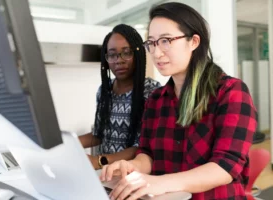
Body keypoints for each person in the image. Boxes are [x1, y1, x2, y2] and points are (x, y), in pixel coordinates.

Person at [100, 3, 257, 200]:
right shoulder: (156, 99)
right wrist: (132, 166)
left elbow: (226, 166)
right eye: (152, 43)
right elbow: (148, 154)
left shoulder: (231, 92)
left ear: (194, 42)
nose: (156, 53)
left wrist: (160, 182)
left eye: (166, 40)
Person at [79, 24, 161, 170]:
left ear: (138, 54)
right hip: (106, 174)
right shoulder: (104, 91)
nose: (119, 60)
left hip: (133, 175)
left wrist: (99, 161)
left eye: (127, 53)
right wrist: (67, 144)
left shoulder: (152, 92)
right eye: (112, 54)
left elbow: (142, 146)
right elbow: (99, 134)